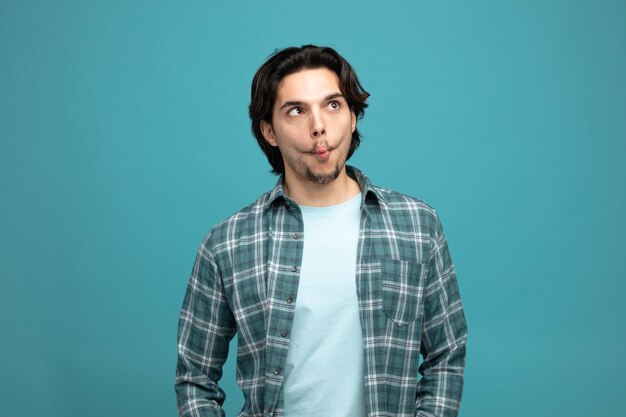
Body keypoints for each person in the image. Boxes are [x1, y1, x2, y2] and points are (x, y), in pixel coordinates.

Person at [175, 45, 467, 417]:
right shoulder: (227, 243)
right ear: (269, 131)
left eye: (332, 105)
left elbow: (446, 354)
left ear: (353, 117)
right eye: (296, 110)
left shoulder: (417, 226)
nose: (319, 126)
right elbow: (195, 377)